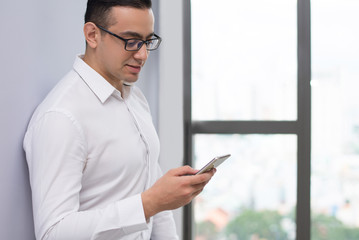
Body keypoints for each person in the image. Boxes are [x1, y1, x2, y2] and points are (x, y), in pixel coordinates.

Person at [23, 0, 216, 239]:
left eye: (147, 41)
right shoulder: (62, 117)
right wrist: (148, 204)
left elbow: (156, 201)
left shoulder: (135, 99)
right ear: (92, 35)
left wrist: (156, 201)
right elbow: (53, 232)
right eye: (131, 41)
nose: (143, 54)